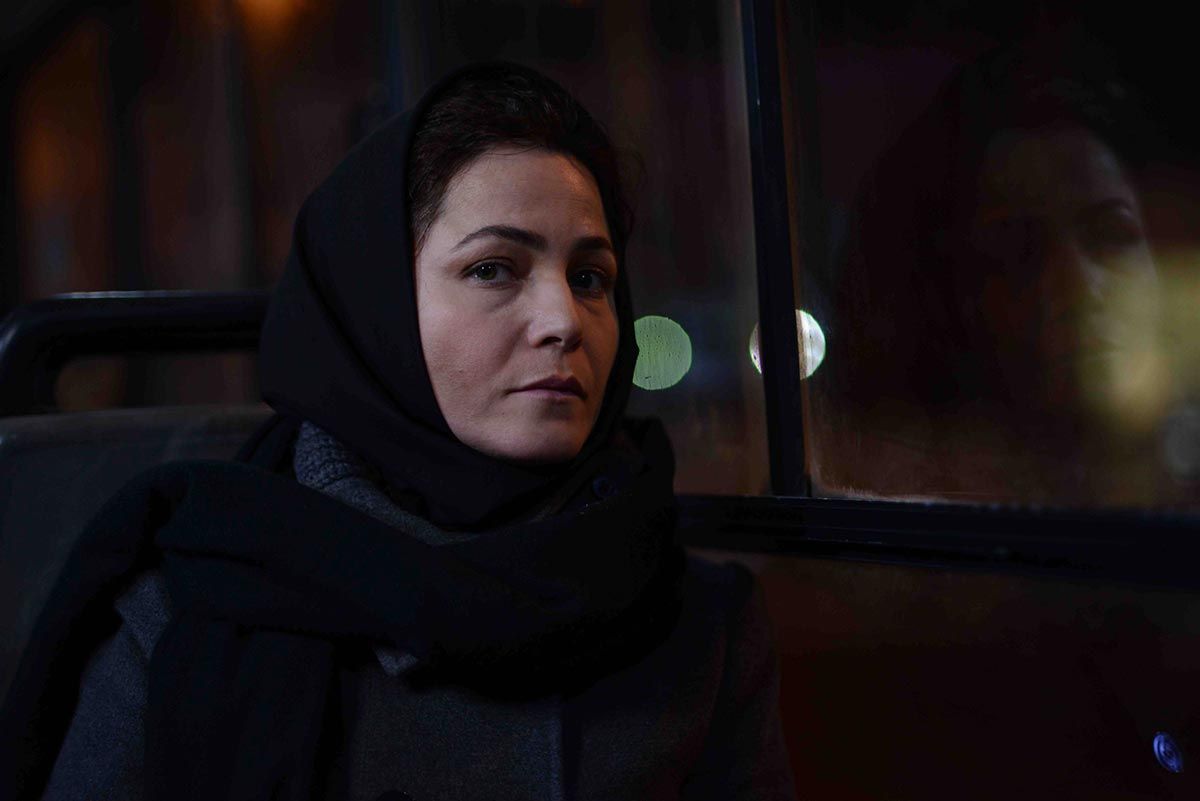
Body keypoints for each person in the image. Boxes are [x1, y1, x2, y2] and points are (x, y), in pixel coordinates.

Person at [0, 63, 796, 800]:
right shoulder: (191, 611)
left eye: (590, 277)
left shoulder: (701, 623)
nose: (564, 320)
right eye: (493, 268)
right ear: (376, 307)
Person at [811, 37, 1168, 505]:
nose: (1078, 284)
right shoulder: (896, 519)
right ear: (949, 301)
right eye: (1019, 253)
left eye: (1113, 235)